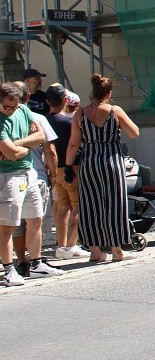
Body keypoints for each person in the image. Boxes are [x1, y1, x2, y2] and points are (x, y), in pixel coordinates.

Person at [66, 74, 139, 264]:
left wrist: (67, 166)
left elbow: (73, 144)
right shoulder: (115, 111)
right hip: (111, 161)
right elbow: (134, 133)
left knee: (90, 206)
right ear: (108, 93)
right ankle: (117, 250)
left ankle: (95, 252)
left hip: (89, 162)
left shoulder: (80, 114)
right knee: (114, 205)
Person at [0, 83, 59, 286]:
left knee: (35, 219)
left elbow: (40, 136)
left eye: (15, 106)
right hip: (8, 176)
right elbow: (9, 154)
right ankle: (9, 269)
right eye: (8, 106)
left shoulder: (23, 109)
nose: (12, 110)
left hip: (28, 172)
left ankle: (36, 264)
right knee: (8, 225)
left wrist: (18, 144)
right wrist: (26, 145)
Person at [45, 84, 84, 259]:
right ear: (65, 101)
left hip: (54, 168)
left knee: (62, 207)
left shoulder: (43, 120)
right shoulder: (69, 122)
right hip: (72, 166)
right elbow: (77, 144)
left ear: (47, 101)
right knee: (77, 206)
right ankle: (71, 245)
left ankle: (60, 246)